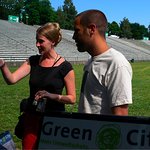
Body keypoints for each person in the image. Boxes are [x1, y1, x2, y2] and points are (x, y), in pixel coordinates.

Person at [0, 22, 76, 149]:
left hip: (54, 122)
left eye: (41, 41)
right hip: (32, 119)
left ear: (52, 41)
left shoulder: (65, 67)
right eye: (37, 40)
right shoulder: (33, 61)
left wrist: (50, 95)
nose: (37, 44)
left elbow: (72, 98)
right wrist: (2, 65)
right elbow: (11, 80)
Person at [72, 9, 132, 116]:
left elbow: (120, 115)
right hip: (84, 131)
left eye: (77, 31)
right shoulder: (90, 61)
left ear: (91, 29)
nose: (73, 36)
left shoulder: (116, 63)